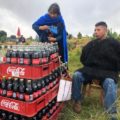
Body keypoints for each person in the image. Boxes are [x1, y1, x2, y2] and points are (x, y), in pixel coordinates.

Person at [72, 21, 120, 120]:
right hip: (91, 70)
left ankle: (112, 113)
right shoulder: (91, 44)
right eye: (95, 30)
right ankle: (77, 100)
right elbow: (83, 58)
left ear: (105, 31)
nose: (95, 32)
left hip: (107, 72)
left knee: (110, 82)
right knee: (76, 75)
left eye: (98, 30)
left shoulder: (114, 44)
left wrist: (116, 69)